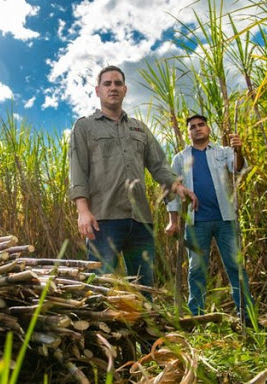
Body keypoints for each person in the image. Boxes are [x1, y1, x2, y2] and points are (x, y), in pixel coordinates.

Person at [68, 65, 197, 297]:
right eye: (107, 84)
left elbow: (159, 165)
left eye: (118, 83)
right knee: (100, 288)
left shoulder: (140, 128)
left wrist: (176, 185)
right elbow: (78, 169)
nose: (113, 88)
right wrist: (82, 211)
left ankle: (143, 332)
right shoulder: (85, 127)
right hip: (103, 220)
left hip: (140, 222)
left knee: (143, 287)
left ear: (125, 89)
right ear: (98, 91)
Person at [165, 114, 254, 321]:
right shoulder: (180, 159)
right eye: (193, 127)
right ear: (188, 133)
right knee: (196, 269)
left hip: (226, 219)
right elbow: (172, 191)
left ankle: (247, 315)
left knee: (235, 266)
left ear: (208, 129)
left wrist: (238, 150)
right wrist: (173, 221)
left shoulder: (224, 152)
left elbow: (238, 169)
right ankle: (197, 316)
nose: (197, 129)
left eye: (201, 125)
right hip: (196, 223)